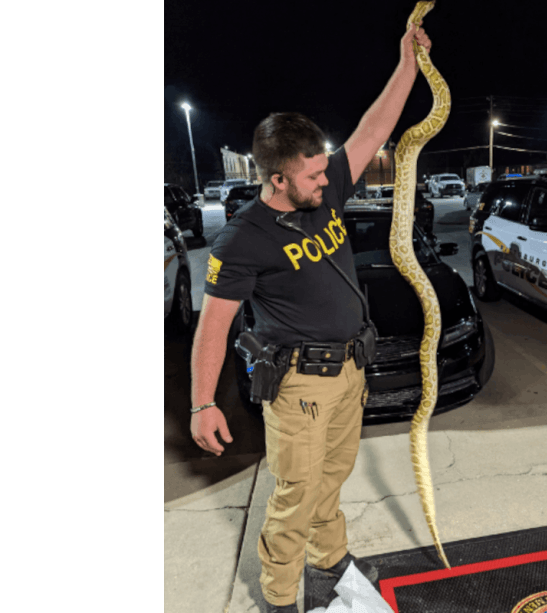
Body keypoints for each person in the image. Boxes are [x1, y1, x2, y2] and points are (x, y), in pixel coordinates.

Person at [189, 22, 433, 613]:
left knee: (332, 480)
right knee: (294, 497)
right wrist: (202, 403)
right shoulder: (242, 240)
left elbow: (377, 125)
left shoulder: (326, 188)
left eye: (326, 170)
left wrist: (407, 63)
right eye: (314, 175)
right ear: (277, 179)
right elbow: (213, 327)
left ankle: (330, 563)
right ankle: (279, 598)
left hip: (349, 372)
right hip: (299, 386)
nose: (329, 180)